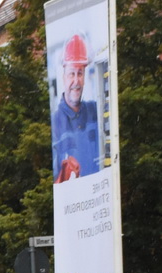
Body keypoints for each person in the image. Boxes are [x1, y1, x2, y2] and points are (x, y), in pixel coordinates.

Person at [51, 33, 100, 183]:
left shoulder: (96, 111)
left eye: (80, 73)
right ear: (64, 76)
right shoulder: (55, 123)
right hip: (76, 203)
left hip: (100, 198)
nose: (76, 81)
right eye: (72, 74)